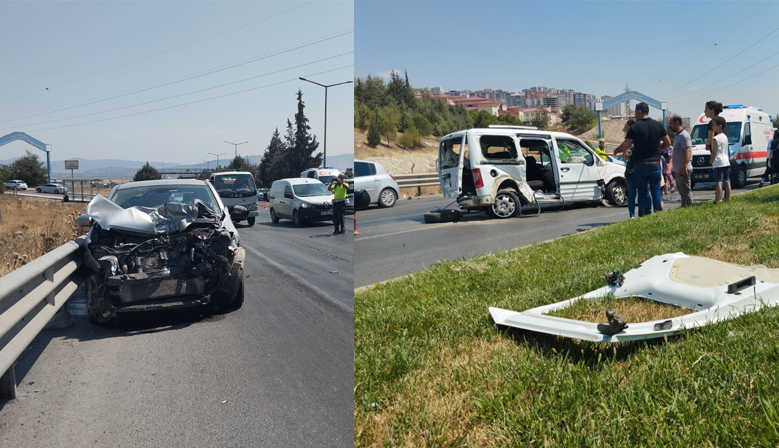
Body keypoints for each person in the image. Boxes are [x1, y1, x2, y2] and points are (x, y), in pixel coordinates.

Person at [614, 102, 671, 216]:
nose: (635, 115)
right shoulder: (658, 125)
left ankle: (642, 216)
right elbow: (668, 142)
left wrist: (617, 150)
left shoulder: (635, 127)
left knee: (642, 192)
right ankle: (659, 215)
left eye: (635, 112)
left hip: (640, 165)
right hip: (655, 163)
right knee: (655, 191)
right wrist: (658, 150)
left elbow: (626, 144)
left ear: (639, 111)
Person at [613, 119, 649, 218]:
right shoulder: (627, 141)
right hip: (630, 171)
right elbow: (625, 157)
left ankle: (644, 214)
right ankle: (632, 216)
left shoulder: (640, 139)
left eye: (628, 128)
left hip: (640, 170)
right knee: (631, 195)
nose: (627, 131)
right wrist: (625, 154)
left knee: (644, 193)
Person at [670, 115, 693, 206]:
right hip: (678, 170)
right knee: (682, 193)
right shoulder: (678, 136)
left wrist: (684, 167)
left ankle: (689, 209)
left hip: (683, 169)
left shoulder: (684, 136)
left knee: (686, 193)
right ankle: (684, 208)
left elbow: (688, 151)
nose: (669, 126)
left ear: (677, 123)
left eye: (671, 123)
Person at [710, 116, 730, 204]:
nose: (712, 127)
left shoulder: (715, 138)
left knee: (718, 181)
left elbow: (714, 151)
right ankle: (728, 197)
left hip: (718, 161)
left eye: (714, 125)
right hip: (726, 160)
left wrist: (711, 160)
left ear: (720, 126)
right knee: (726, 180)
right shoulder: (725, 137)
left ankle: (718, 199)